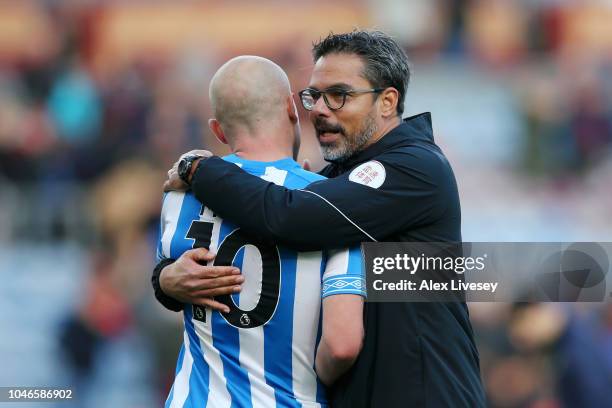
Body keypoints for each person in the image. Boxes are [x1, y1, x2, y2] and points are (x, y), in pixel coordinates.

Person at [156, 30, 486, 407]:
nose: (319, 109)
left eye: (339, 95)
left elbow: (290, 217)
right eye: (313, 96)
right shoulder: (335, 184)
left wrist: (198, 167)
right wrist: (166, 280)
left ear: (387, 101)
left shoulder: (415, 167)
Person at [157, 55, 366, 407]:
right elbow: (342, 344)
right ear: (291, 108)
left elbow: (169, 283)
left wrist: (163, 280)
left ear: (219, 131)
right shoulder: (334, 205)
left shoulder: (179, 196)